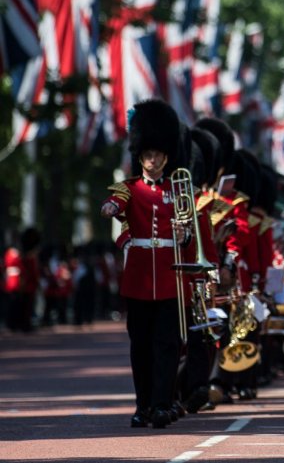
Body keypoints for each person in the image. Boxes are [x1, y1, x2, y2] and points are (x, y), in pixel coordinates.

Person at [101, 99, 187, 429]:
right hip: (138, 278)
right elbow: (115, 202)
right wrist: (109, 208)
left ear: (166, 156)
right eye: (147, 155)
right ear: (140, 156)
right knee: (140, 347)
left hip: (168, 277)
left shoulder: (179, 190)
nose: (152, 160)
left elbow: (189, 231)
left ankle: (162, 404)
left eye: (157, 155)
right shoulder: (129, 189)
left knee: (166, 345)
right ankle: (143, 405)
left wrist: (183, 235)